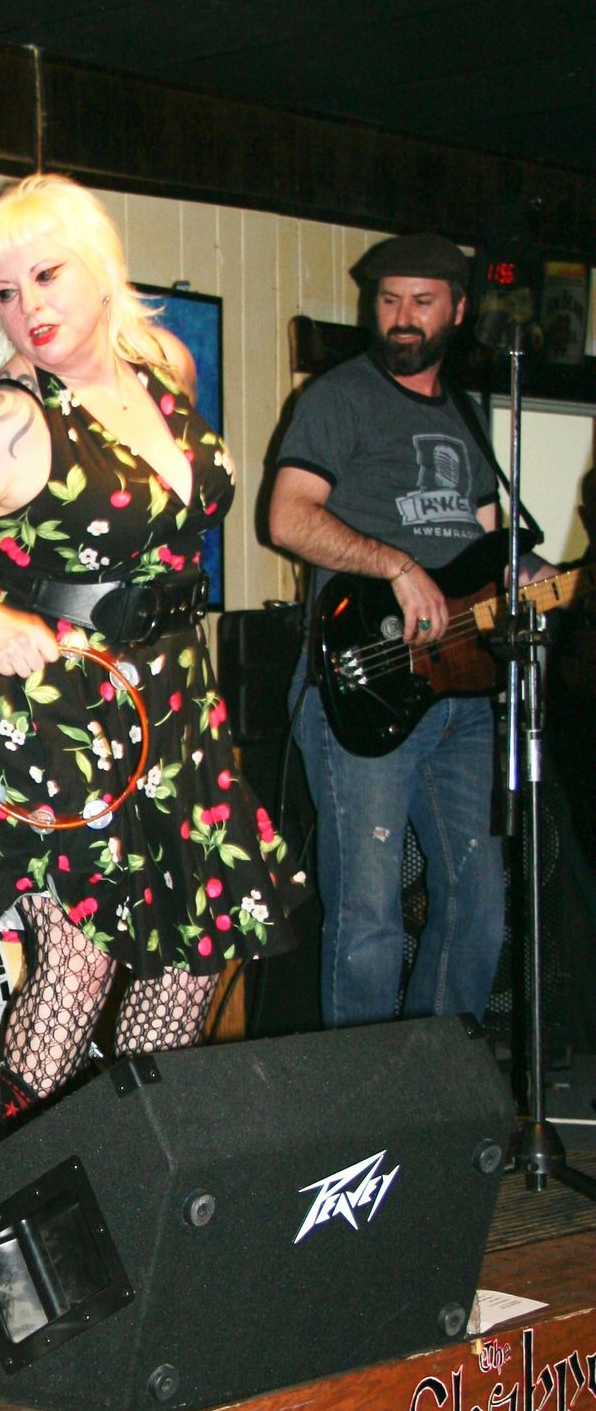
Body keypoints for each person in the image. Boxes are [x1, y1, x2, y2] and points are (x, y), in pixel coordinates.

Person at [0, 174, 302, 1117]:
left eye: (47, 276)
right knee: (78, 961)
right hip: (55, 701)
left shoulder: (164, 366)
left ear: (100, 268)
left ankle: (130, 1165)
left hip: (170, 690)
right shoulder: (11, 417)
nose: (30, 308)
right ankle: (12, 1183)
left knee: (195, 946)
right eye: (6, 294)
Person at [269, 233, 513, 1030]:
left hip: (464, 690)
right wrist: (394, 565)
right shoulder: (338, 398)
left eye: (423, 301)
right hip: (366, 678)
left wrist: (536, 579)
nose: (403, 316)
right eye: (388, 299)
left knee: (480, 902)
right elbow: (288, 518)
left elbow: (490, 546)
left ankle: (435, 1079)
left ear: (459, 311)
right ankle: (364, 1095)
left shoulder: (467, 415)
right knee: (368, 914)